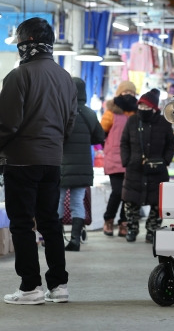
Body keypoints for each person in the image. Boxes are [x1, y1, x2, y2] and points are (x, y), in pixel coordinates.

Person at [1, 17, 77, 305]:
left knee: (21, 224)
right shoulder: (65, 78)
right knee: (50, 222)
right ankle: (59, 286)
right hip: (52, 161)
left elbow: (7, 124)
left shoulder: (19, 76)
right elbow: (69, 123)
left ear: (26, 43)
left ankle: (30, 286)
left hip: (21, 161)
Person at [120, 89, 174, 243]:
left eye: (146, 107)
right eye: (141, 106)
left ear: (154, 108)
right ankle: (132, 229)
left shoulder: (164, 122)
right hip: (134, 169)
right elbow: (124, 142)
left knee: (157, 203)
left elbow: (171, 144)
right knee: (131, 202)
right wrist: (127, 160)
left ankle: (152, 231)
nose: (143, 110)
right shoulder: (132, 121)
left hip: (157, 170)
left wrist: (165, 160)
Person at [58, 78, 105, 252]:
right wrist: (86, 140)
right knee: (77, 202)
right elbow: (100, 137)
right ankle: (75, 240)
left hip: (61, 165)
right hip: (82, 166)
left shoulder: (60, 112)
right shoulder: (89, 114)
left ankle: (55, 240)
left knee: (58, 201)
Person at [101, 80, 137, 237]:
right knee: (117, 191)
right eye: (125, 92)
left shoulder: (137, 112)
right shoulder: (111, 111)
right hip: (114, 157)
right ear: (119, 93)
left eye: (131, 93)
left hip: (132, 158)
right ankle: (109, 219)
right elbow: (102, 131)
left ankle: (124, 222)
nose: (128, 96)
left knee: (129, 193)